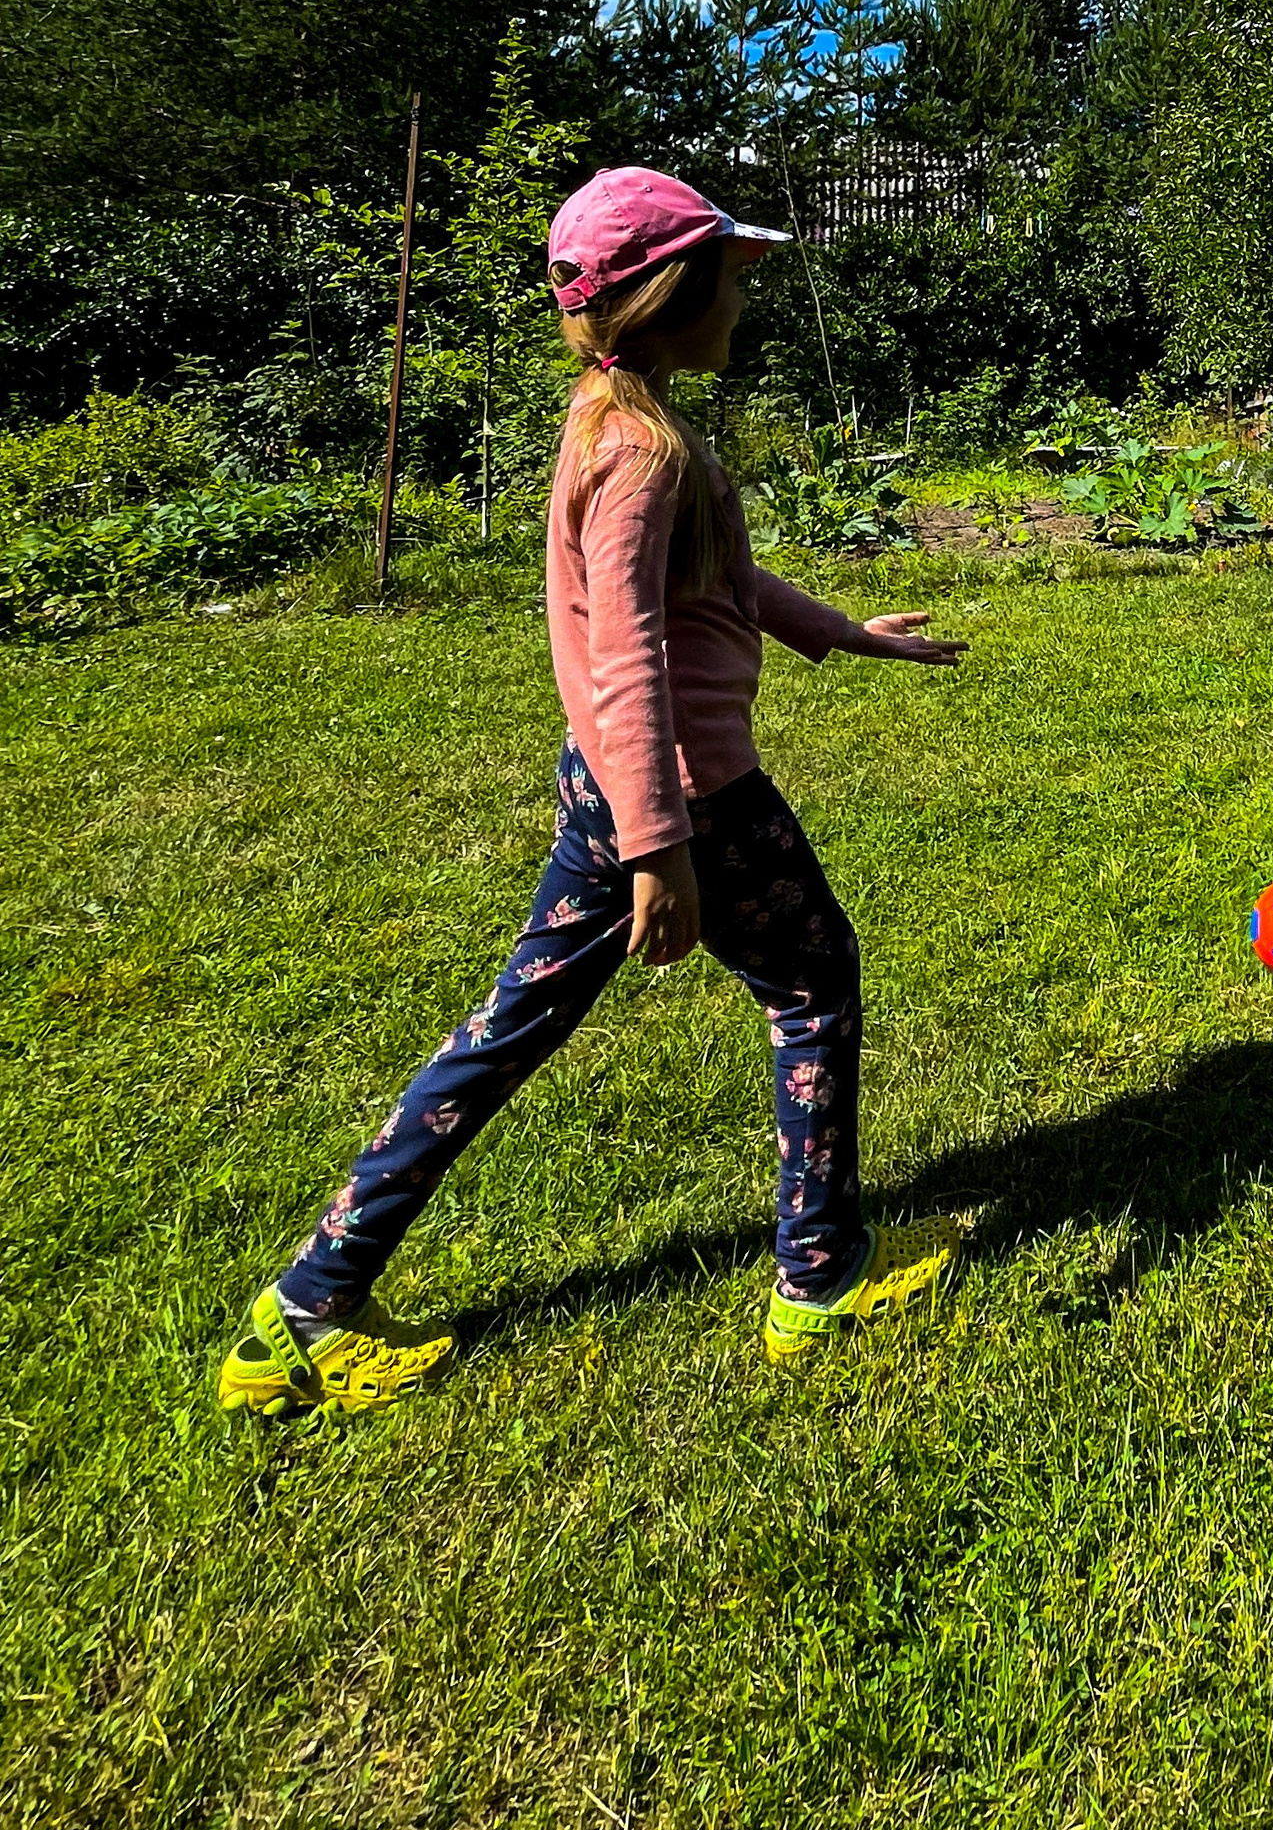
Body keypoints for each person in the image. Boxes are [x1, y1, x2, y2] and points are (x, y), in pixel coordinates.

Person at [218, 165, 967, 1417]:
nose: (746, 295)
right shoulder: (643, 455)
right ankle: (820, 1272)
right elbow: (627, 651)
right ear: (671, 295)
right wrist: (660, 844)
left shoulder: (618, 417)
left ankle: (304, 1306)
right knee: (813, 979)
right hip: (687, 791)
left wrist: (838, 630)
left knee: (510, 1028)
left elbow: (713, 584)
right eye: (730, 276)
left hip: (611, 786)